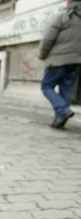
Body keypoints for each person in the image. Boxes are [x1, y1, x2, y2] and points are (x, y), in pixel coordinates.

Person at [38, 0, 81, 129]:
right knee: (66, 91)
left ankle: (63, 110)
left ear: (68, 3)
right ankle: (58, 121)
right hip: (76, 61)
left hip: (57, 60)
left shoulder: (62, 17)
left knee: (46, 86)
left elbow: (48, 38)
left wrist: (42, 55)